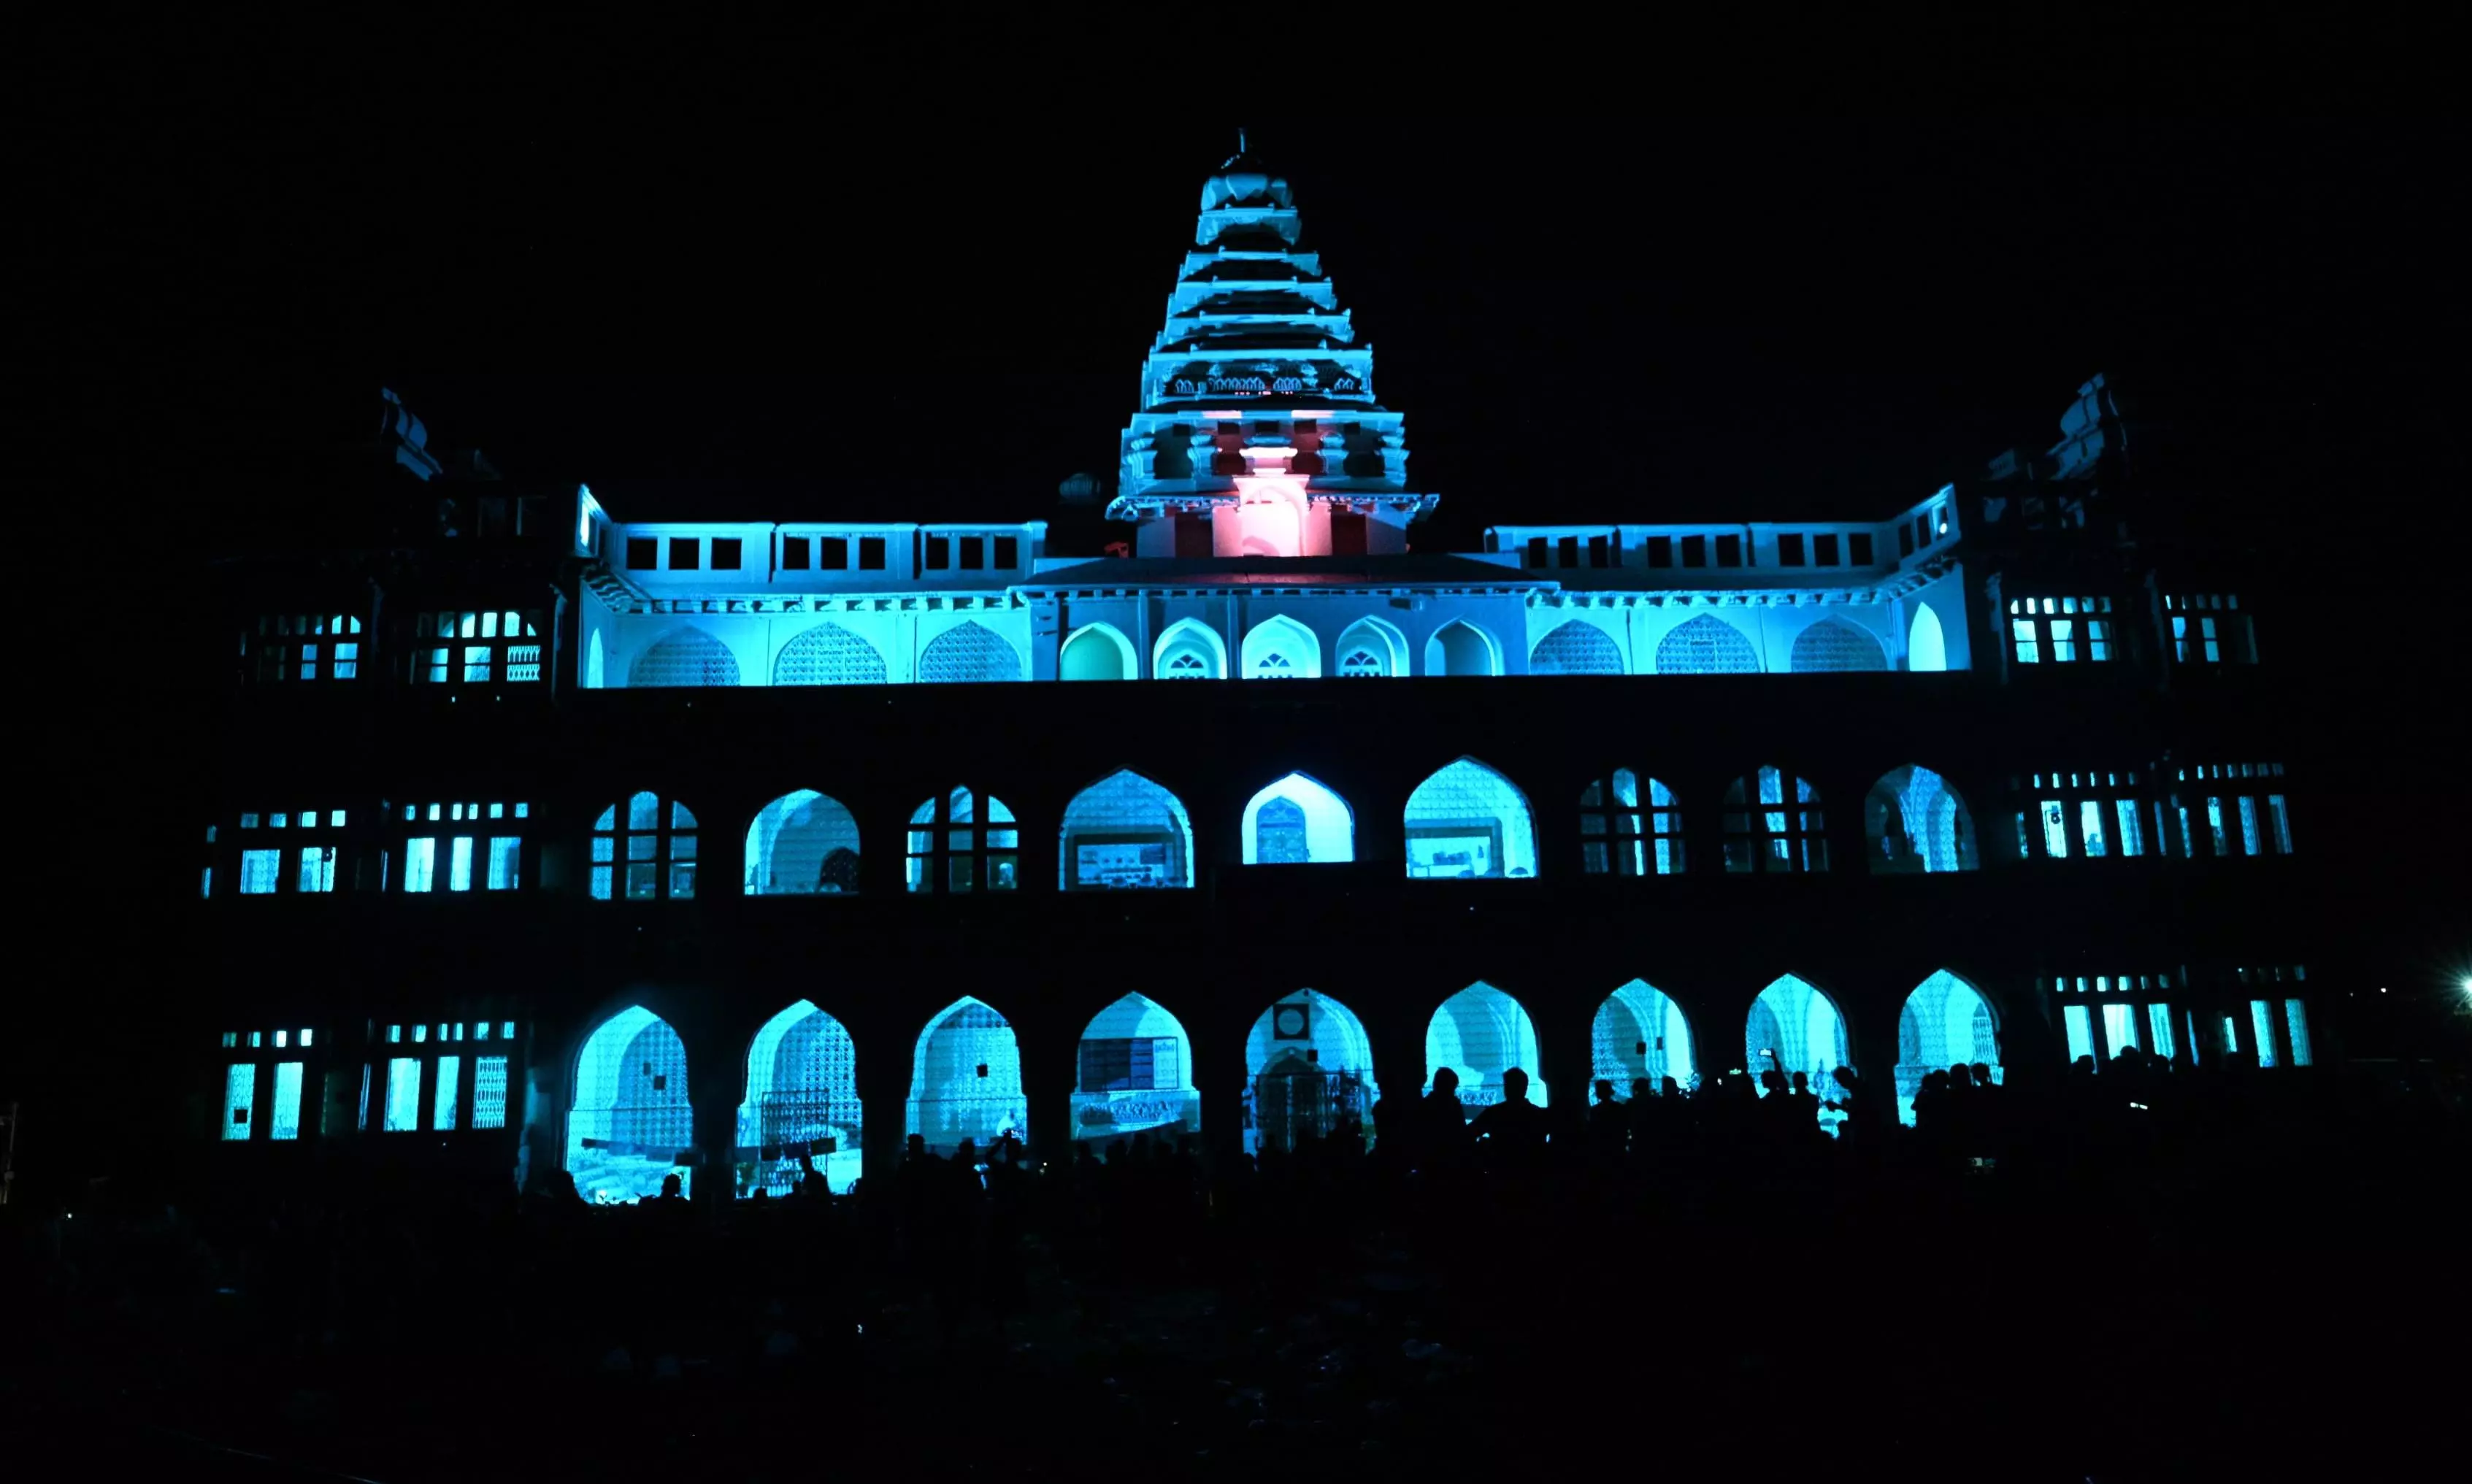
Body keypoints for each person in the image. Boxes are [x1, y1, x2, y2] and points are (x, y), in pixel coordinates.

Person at [1469, 1068, 1549, 1167]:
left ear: (1507, 1088)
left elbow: (1469, 1134)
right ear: (1525, 1088)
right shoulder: (1538, 1114)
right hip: (1531, 1174)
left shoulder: (1494, 1113)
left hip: (1501, 1172)